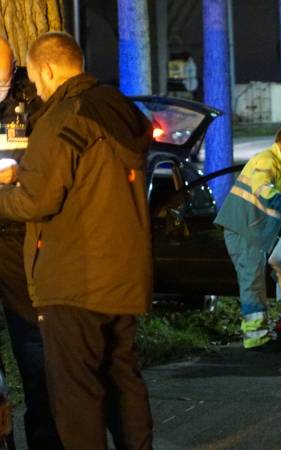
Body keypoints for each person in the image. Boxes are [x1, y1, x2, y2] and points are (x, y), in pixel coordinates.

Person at [0, 32, 153, 449]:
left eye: (32, 75)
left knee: (76, 395)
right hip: (121, 277)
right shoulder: (120, 108)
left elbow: (36, 199)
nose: (35, 86)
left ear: (47, 68)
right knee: (123, 380)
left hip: (75, 279)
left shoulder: (62, 116)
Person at [0, 37, 63, 450]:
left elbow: (49, 167)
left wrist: (18, 176)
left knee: (34, 346)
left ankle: (46, 438)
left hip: (18, 237)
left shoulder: (32, 103)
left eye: (1, 81)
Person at [214, 126, 281, 349]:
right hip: (245, 229)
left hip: (250, 230)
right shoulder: (267, 160)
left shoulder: (277, 168)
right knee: (252, 282)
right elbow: (262, 190)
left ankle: (259, 333)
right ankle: (255, 338)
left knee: (254, 281)